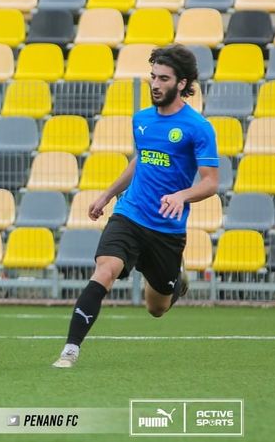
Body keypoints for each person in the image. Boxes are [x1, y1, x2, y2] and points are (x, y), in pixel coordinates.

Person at [53, 45, 219, 368]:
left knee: (156, 308)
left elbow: (211, 182)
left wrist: (182, 196)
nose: (155, 84)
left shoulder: (198, 128)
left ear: (182, 83)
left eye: (164, 78)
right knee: (105, 270)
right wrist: (106, 195)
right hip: (129, 214)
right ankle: (70, 350)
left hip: (167, 230)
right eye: (153, 76)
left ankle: (175, 279)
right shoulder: (141, 119)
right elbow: (139, 162)